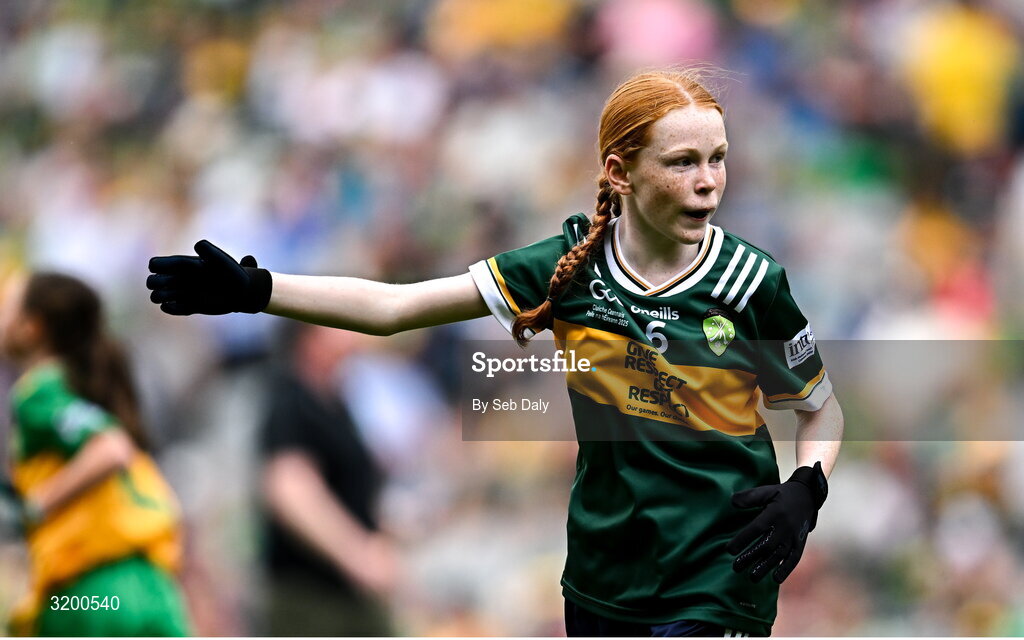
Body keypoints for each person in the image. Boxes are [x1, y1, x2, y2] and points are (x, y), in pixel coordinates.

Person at [147, 68, 844, 637]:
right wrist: (257, 287)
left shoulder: (752, 282)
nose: (708, 181)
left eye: (717, 159)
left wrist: (803, 491)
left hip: (718, 573)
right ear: (621, 171)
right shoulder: (569, 269)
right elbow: (397, 308)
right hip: (606, 574)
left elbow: (821, 411)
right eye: (683, 161)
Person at [1, 272, 191, 636]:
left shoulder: (39, 390)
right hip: (153, 587)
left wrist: (38, 504)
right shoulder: (88, 388)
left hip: (90, 593)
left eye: (7, 307)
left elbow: (111, 449)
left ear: (32, 327)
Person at [259, 321, 396, 635]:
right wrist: (359, 555)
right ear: (310, 339)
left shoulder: (334, 401)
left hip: (343, 595)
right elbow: (288, 488)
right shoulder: (291, 403)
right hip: (312, 598)